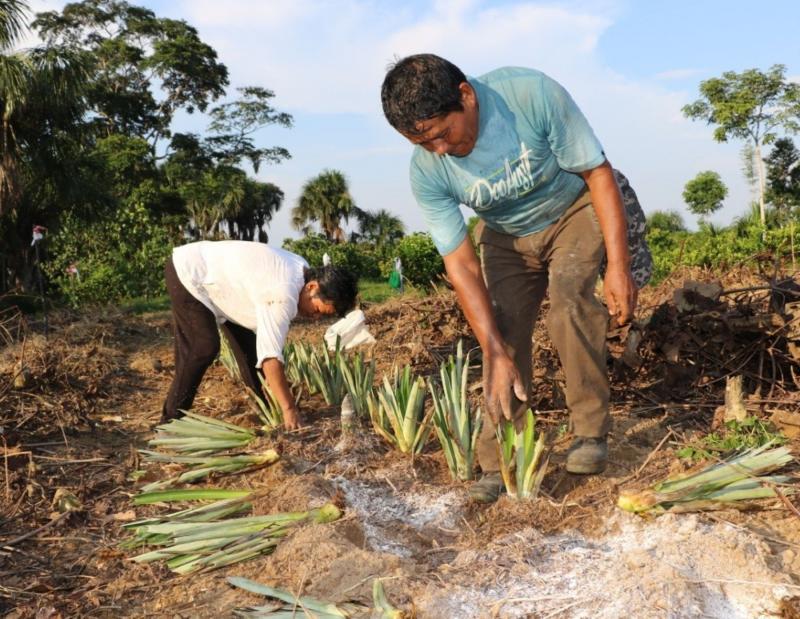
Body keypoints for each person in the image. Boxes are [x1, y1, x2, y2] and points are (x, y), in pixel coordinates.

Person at [381, 54, 652, 502]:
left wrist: (618, 268)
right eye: (424, 143)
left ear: (465, 96)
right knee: (501, 336)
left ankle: (589, 431)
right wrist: (492, 348)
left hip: (574, 208)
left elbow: (597, 173)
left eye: (443, 134)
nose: (440, 151)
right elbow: (461, 263)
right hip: (505, 235)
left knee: (569, 300)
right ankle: (501, 458)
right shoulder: (427, 168)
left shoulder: (530, 95)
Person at [162, 240, 358, 430]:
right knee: (203, 346)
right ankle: (170, 423)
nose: (314, 318)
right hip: (190, 273)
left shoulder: (302, 270)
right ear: (312, 287)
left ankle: (267, 409)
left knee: (250, 350)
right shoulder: (283, 294)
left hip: (230, 288)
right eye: (317, 310)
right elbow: (270, 358)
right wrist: (289, 408)